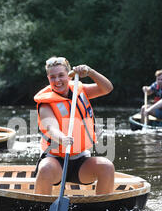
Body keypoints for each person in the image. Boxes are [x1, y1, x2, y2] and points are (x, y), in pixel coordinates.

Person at [33, 56, 115, 196]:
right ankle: (39, 210)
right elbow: (50, 128)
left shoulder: (79, 90)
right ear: (48, 79)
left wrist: (91, 72)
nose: (57, 80)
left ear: (69, 76)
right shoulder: (45, 103)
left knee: (107, 167)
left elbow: (107, 88)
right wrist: (62, 138)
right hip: (55, 160)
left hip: (80, 159)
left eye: (61, 75)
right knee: (45, 168)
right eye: (52, 77)